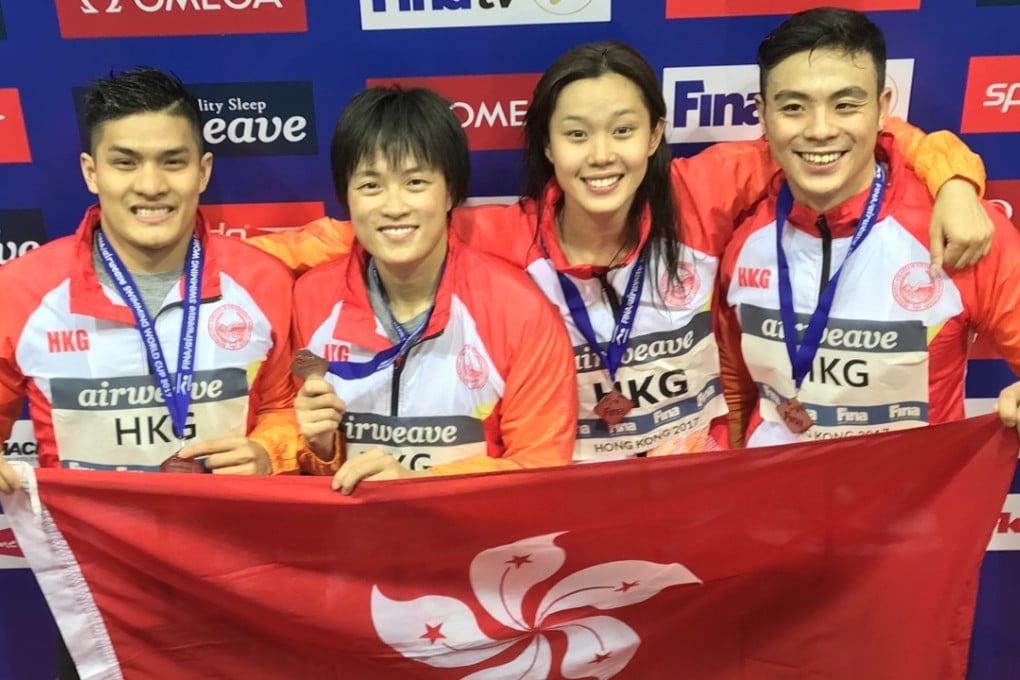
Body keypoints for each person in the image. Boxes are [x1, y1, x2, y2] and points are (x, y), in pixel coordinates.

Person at [250, 41, 991, 462]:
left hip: (701, 494)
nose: (601, 157)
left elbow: (842, 140)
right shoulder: (500, 235)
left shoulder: (704, 192)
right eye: (575, 135)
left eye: (623, 131)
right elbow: (369, 230)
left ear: (657, 135)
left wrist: (952, 174)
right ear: (544, 144)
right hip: (570, 507)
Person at [718, 7, 1020, 447]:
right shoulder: (739, 229)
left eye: (845, 105)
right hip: (774, 506)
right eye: (794, 107)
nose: (820, 129)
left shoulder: (958, 230)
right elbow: (735, 391)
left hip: (912, 508)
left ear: (881, 110)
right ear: (763, 115)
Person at [0, 67, 302, 486]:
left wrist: (269, 450)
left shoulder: (263, 281)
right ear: (91, 173)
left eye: (172, 162)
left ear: (203, 171)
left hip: (227, 542)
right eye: (125, 163)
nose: (150, 185)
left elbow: (284, 405)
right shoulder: (19, 290)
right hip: (86, 547)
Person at [292, 86, 576, 493]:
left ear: (451, 191)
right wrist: (321, 449)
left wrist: (419, 487)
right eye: (370, 185)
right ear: (346, 198)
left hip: (474, 547)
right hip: (351, 546)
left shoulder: (519, 311)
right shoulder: (311, 299)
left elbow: (540, 466)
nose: (393, 206)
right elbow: (308, 460)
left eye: (415, 182)